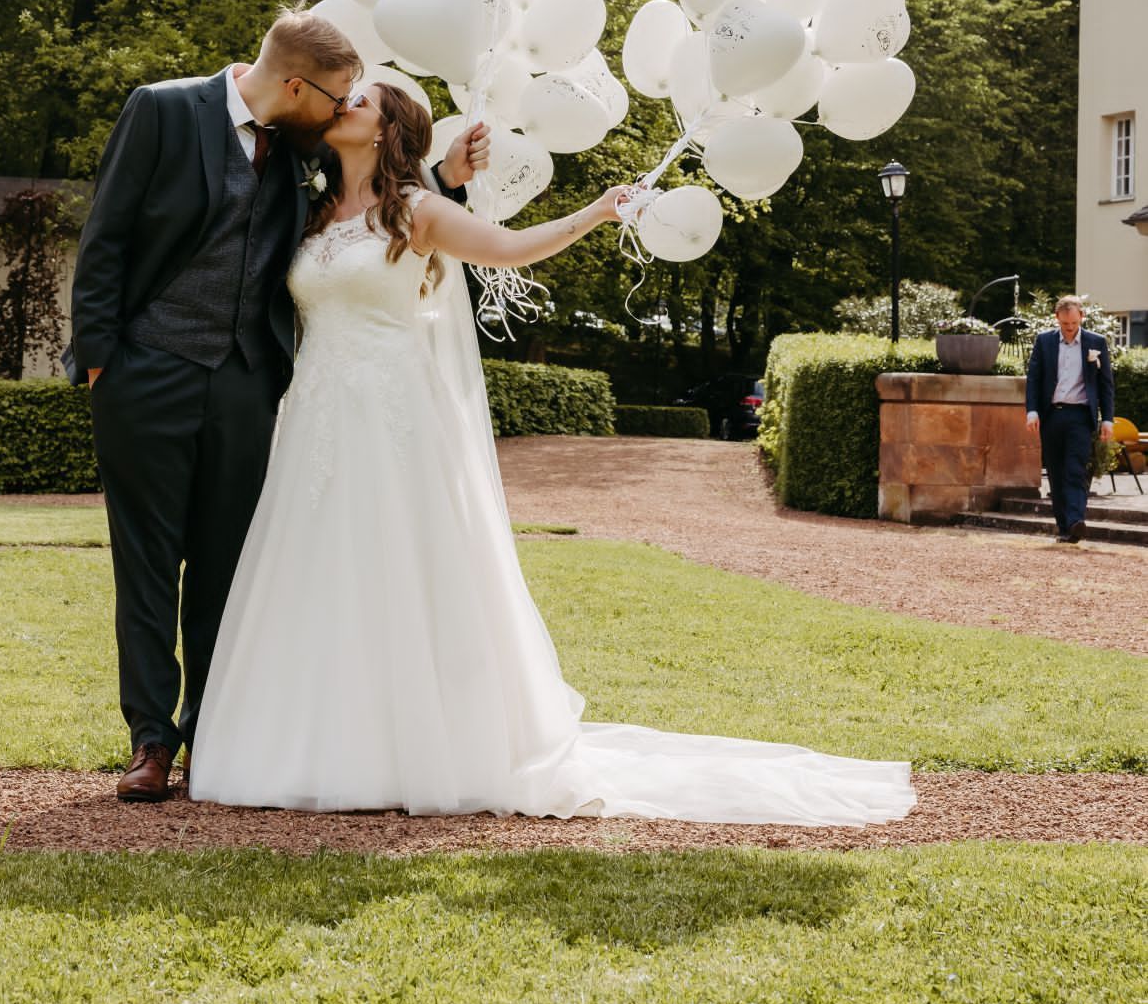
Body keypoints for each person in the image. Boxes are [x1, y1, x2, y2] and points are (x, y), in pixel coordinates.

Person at [189, 83, 916, 827]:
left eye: (363, 99)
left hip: (391, 414)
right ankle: (313, 742)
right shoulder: (309, 210)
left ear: (386, 131)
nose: (344, 102)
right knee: (316, 564)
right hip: (314, 416)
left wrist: (596, 211)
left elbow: (510, 250)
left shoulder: (417, 210)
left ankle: (416, 746)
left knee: (398, 565)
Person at [65, 11, 486, 802]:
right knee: (147, 563)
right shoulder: (161, 109)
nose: (339, 110)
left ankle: (213, 733)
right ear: (296, 86)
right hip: (144, 373)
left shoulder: (301, 143)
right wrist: (101, 367)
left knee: (228, 566)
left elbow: (375, 199)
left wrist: (447, 177)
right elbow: (106, 238)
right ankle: (151, 741)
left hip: (247, 383)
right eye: (334, 96)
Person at [1025, 295, 1115, 543]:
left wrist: (1108, 419)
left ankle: (1076, 520)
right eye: (1065, 324)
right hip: (1051, 415)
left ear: (1081, 317)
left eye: (1074, 323)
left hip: (1080, 416)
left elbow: (1106, 384)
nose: (1070, 328)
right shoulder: (1044, 341)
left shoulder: (1096, 342)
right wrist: (1032, 411)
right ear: (1057, 318)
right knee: (1055, 472)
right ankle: (1065, 528)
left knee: (1075, 469)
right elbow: (1034, 379)